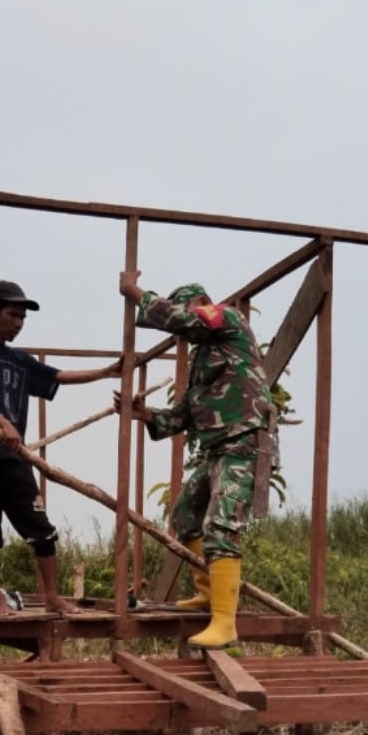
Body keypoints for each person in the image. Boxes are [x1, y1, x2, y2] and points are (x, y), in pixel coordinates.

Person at [115, 272, 277, 650]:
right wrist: (147, 415)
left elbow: (181, 319)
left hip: (245, 441)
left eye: (185, 312)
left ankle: (225, 622)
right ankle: (208, 593)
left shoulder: (228, 319)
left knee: (221, 526)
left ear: (198, 304)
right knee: (186, 516)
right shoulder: (205, 357)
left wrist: (133, 292)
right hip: (218, 448)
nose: (185, 328)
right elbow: (186, 413)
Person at [0, 279, 122, 618]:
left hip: (14, 456)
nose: (18, 323)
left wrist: (105, 372)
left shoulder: (19, 360)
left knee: (41, 528)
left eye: (22, 318)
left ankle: (54, 597)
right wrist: (3, 423)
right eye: (12, 315)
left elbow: (58, 376)